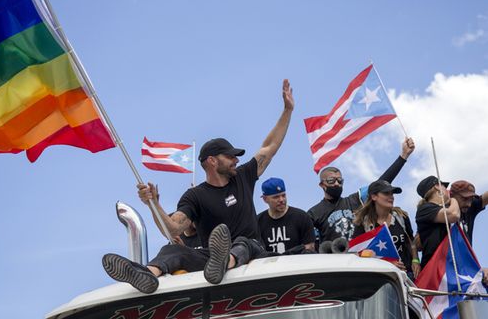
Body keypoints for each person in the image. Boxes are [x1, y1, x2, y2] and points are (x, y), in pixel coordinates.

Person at [102, 79, 294, 293]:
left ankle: (225, 261)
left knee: (244, 242)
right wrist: (153, 204)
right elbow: (173, 228)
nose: (236, 160)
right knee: (172, 249)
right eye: (230, 156)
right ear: (212, 161)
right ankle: (146, 274)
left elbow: (269, 147)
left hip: (252, 251)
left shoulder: (243, 176)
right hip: (212, 258)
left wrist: (287, 110)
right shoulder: (195, 196)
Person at [308, 137, 415, 244]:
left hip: (361, 258)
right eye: (331, 180)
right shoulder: (314, 213)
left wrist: (403, 156)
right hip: (334, 259)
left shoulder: (355, 200)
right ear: (322, 184)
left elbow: (380, 184)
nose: (336, 184)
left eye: (340, 180)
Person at [352, 180, 420, 280]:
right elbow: (357, 253)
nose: (391, 196)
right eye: (386, 193)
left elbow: (411, 242)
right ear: (374, 197)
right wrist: (388, 263)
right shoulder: (363, 223)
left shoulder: (401, 217)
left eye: (392, 193)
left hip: (407, 276)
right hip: (380, 278)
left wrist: (415, 260)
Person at [257, 177, 315, 254]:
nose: (281, 200)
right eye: (276, 197)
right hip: (270, 265)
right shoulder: (258, 221)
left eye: (283, 195)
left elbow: (310, 247)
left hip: (298, 264)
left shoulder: (301, 217)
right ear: (265, 199)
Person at [415, 176, 460, 268]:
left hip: (447, 265)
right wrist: (454, 199)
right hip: (434, 268)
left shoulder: (444, 208)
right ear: (437, 186)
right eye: (444, 186)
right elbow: (454, 215)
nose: (446, 189)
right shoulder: (425, 209)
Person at [449, 180, 488, 246]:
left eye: (471, 199)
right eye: (465, 199)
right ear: (452, 195)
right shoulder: (441, 210)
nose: (469, 204)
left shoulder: (469, 209)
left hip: (465, 255)